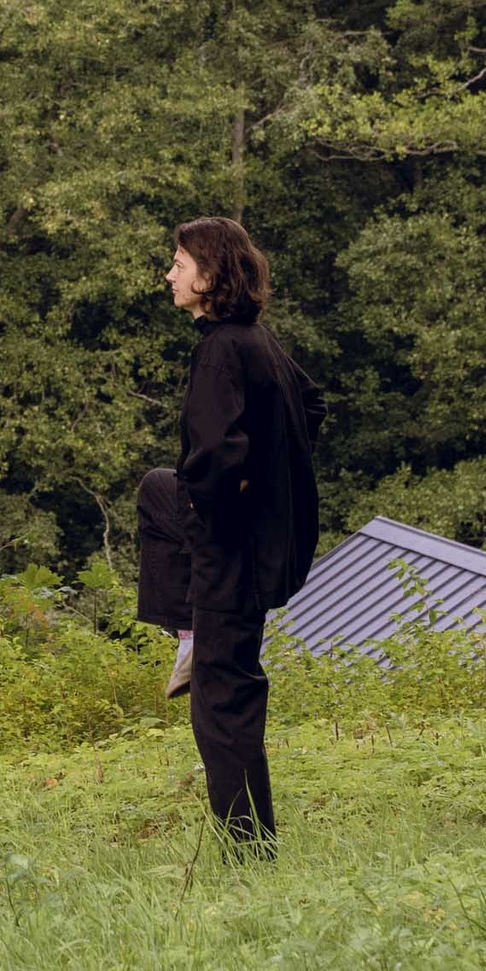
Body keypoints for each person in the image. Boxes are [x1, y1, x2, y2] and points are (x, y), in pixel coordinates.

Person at [134, 217, 325, 853]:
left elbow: (217, 458)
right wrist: (271, 477)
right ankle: (186, 632)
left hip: (230, 548)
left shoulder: (221, 350)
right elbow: (313, 403)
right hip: (249, 538)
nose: (170, 274)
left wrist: (237, 492)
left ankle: (248, 848)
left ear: (210, 276)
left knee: (223, 699)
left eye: (180, 264)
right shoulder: (255, 340)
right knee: (157, 490)